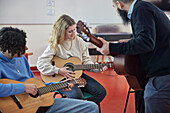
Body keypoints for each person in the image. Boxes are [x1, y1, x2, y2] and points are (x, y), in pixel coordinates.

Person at [0, 27, 99, 113]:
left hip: (40, 104)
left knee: (91, 107)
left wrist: (58, 86)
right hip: (20, 109)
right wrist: (23, 88)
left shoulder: (22, 59)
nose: (26, 48)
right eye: (22, 47)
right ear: (9, 49)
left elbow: (36, 86)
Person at [96, 0, 170, 113]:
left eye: (114, 6)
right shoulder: (144, 7)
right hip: (161, 72)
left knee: (152, 101)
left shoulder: (140, 9)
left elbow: (146, 43)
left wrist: (111, 48)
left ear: (119, 4)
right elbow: (151, 39)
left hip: (162, 75)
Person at [37, 14, 107, 105]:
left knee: (101, 92)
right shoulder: (55, 44)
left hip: (77, 75)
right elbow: (41, 64)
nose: (74, 34)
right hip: (61, 79)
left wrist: (97, 68)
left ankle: (85, 109)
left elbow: (86, 61)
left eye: (74, 30)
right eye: (70, 31)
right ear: (61, 31)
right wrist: (58, 70)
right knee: (77, 97)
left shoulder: (80, 41)